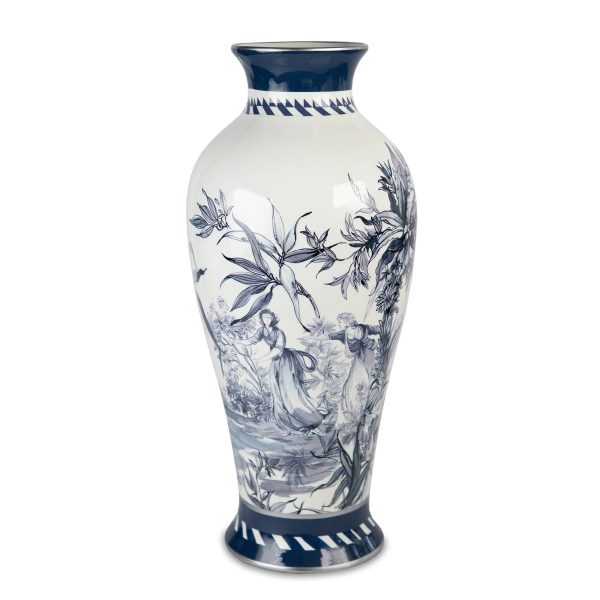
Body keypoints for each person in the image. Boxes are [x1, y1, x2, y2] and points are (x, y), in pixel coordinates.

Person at [235, 309, 324, 434]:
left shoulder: (278, 332)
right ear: (262, 319)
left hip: (285, 360)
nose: (267, 320)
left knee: (288, 390)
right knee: (275, 388)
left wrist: (261, 359)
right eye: (264, 318)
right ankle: (285, 421)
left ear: (273, 319)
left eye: (269, 318)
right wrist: (237, 341)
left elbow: (278, 349)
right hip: (275, 361)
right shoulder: (262, 331)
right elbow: (251, 340)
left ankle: (307, 419)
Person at [328, 313, 380, 426]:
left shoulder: (355, 331)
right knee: (350, 386)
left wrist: (375, 346)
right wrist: (323, 336)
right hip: (359, 359)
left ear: (346, 322)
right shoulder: (347, 332)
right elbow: (334, 335)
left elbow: (368, 341)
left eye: (340, 322)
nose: (339, 324)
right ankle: (349, 414)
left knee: (357, 384)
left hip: (364, 358)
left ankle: (355, 414)